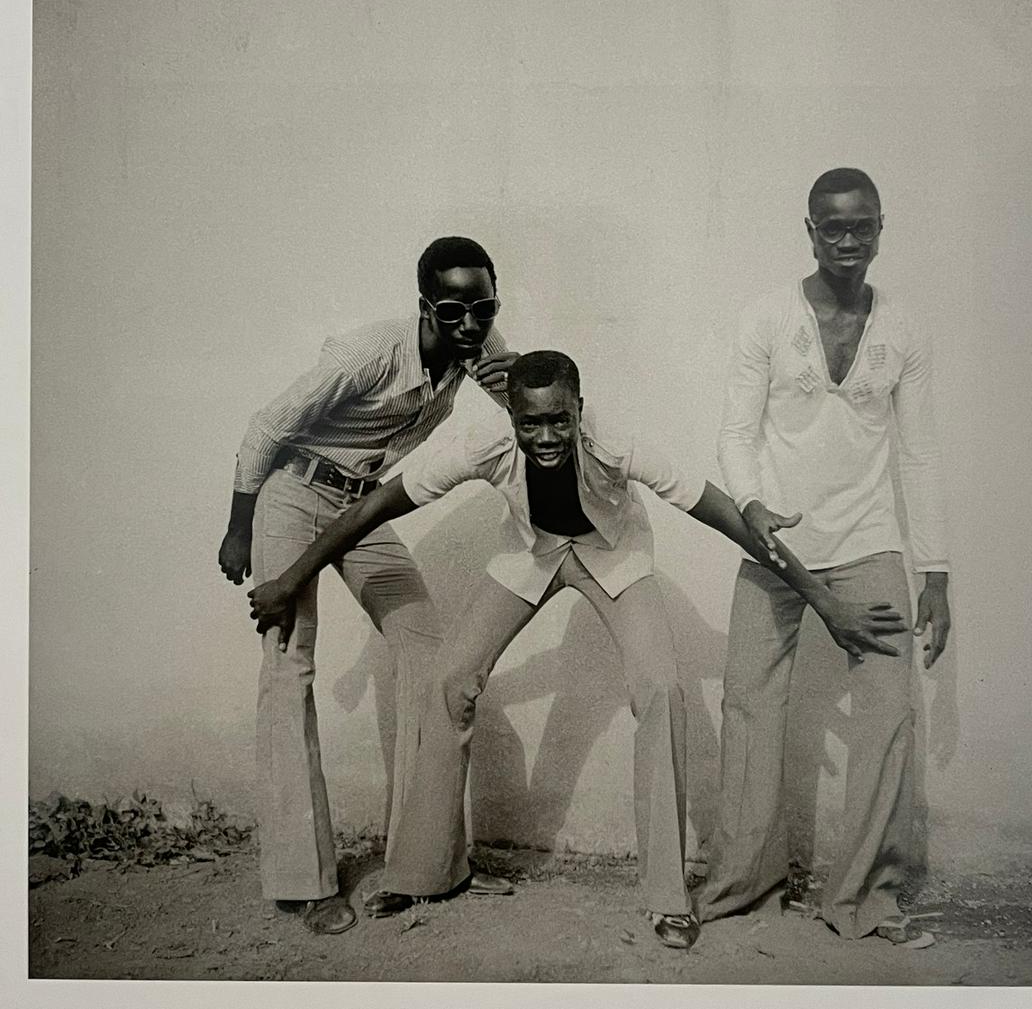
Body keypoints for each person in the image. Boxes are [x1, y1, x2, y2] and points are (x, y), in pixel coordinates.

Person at [247, 349, 908, 950]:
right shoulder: (482, 444)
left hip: (612, 558)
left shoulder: (619, 444)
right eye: (529, 424)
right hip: (528, 558)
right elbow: (374, 508)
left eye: (558, 421)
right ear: (511, 416)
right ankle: (428, 870)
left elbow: (725, 515)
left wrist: (821, 597)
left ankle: (667, 897)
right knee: (449, 678)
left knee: (663, 688)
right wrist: (289, 578)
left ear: (579, 411)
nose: (544, 437)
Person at [217, 236, 517, 935]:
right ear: (423, 307)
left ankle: (427, 859)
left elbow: (526, 393)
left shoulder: (476, 342)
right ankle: (304, 880)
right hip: (292, 495)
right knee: (289, 667)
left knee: (426, 646)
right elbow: (266, 427)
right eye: (453, 311)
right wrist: (238, 530)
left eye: (484, 307)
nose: (471, 324)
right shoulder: (371, 353)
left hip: (358, 506)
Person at [697, 168, 951, 948]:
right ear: (809, 230)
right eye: (832, 227)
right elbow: (736, 434)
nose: (848, 240)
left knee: (889, 712)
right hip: (777, 540)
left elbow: (918, 454)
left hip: (871, 538)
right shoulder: (769, 317)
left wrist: (935, 571)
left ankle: (864, 898)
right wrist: (753, 505)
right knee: (750, 701)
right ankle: (744, 886)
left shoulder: (903, 329)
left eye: (862, 226)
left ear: (881, 227)